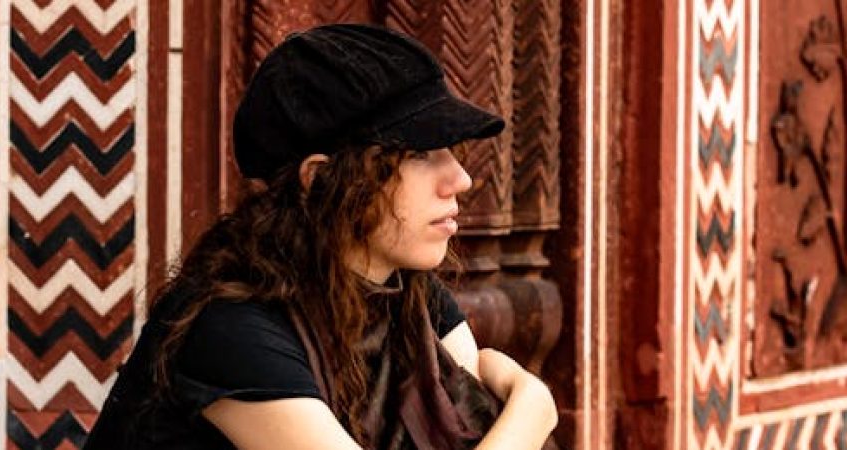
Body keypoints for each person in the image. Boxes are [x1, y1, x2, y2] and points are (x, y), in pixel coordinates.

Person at [85, 24, 558, 449]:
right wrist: (533, 405)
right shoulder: (233, 329)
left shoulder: (410, 296)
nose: (460, 179)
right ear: (321, 179)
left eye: (450, 151)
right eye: (420, 154)